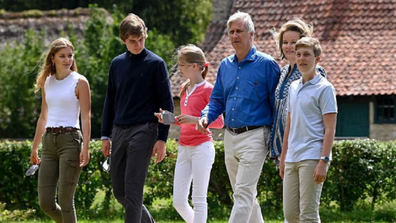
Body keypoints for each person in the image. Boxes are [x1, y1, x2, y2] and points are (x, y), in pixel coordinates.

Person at [197, 11, 281, 223]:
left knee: (242, 195)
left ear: (251, 34)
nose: (235, 35)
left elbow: (278, 104)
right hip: (230, 137)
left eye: (239, 31)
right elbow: (217, 99)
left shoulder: (267, 65)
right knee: (245, 195)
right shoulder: (225, 65)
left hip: (256, 136)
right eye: (231, 32)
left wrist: (277, 140)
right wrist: (206, 116)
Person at [100, 13, 174, 223]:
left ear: (145, 35)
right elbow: (109, 101)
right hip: (119, 130)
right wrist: (105, 134)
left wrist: (162, 139)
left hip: (145, 129)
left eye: (141, 39)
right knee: (119, 190)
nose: (138, 44)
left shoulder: (156, 63)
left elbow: (167, 105)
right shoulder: (116, 64)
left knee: (133, 189)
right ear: (123, 40)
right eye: (132, 41)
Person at [155, 44, 224, 223]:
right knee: (178, 201)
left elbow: (219, 122)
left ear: (195, 66)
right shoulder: (184, 88)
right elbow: (183, 119)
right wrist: (168, 118)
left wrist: (195, 119)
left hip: (202, 147)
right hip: (184, 148)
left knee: (199, 199)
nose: (179, 69)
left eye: (182, 65)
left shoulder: (209, 89)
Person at [30, 37, 91, 223]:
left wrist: (86, 147)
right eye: (62, 56)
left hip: (70, 140)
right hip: (49, 142)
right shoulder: (47, 82)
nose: (67, 60)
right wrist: (34, 147)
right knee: (46, 203)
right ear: (53, 58)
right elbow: (43, 116)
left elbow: (86, 117)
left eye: (70, 55)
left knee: (65, 201)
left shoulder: (80, 81)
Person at [280, 37, 337, 223]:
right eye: (298, 55)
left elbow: (330, 129)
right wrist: (283, 157)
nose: (302, 58)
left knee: (308, 215)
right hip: (291, 158)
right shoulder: (293, 87)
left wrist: (324, 161)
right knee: (290, 214)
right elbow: (289, 125)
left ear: (317, 59)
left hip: (312, 156)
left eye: (306, 54)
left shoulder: (325, 89)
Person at [270, 18, 327, 160]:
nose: (288, 46)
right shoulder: (283, 72)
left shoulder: (315, 71)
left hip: (304, 147)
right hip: (282, 147)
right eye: (285, 42)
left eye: (293, 42)